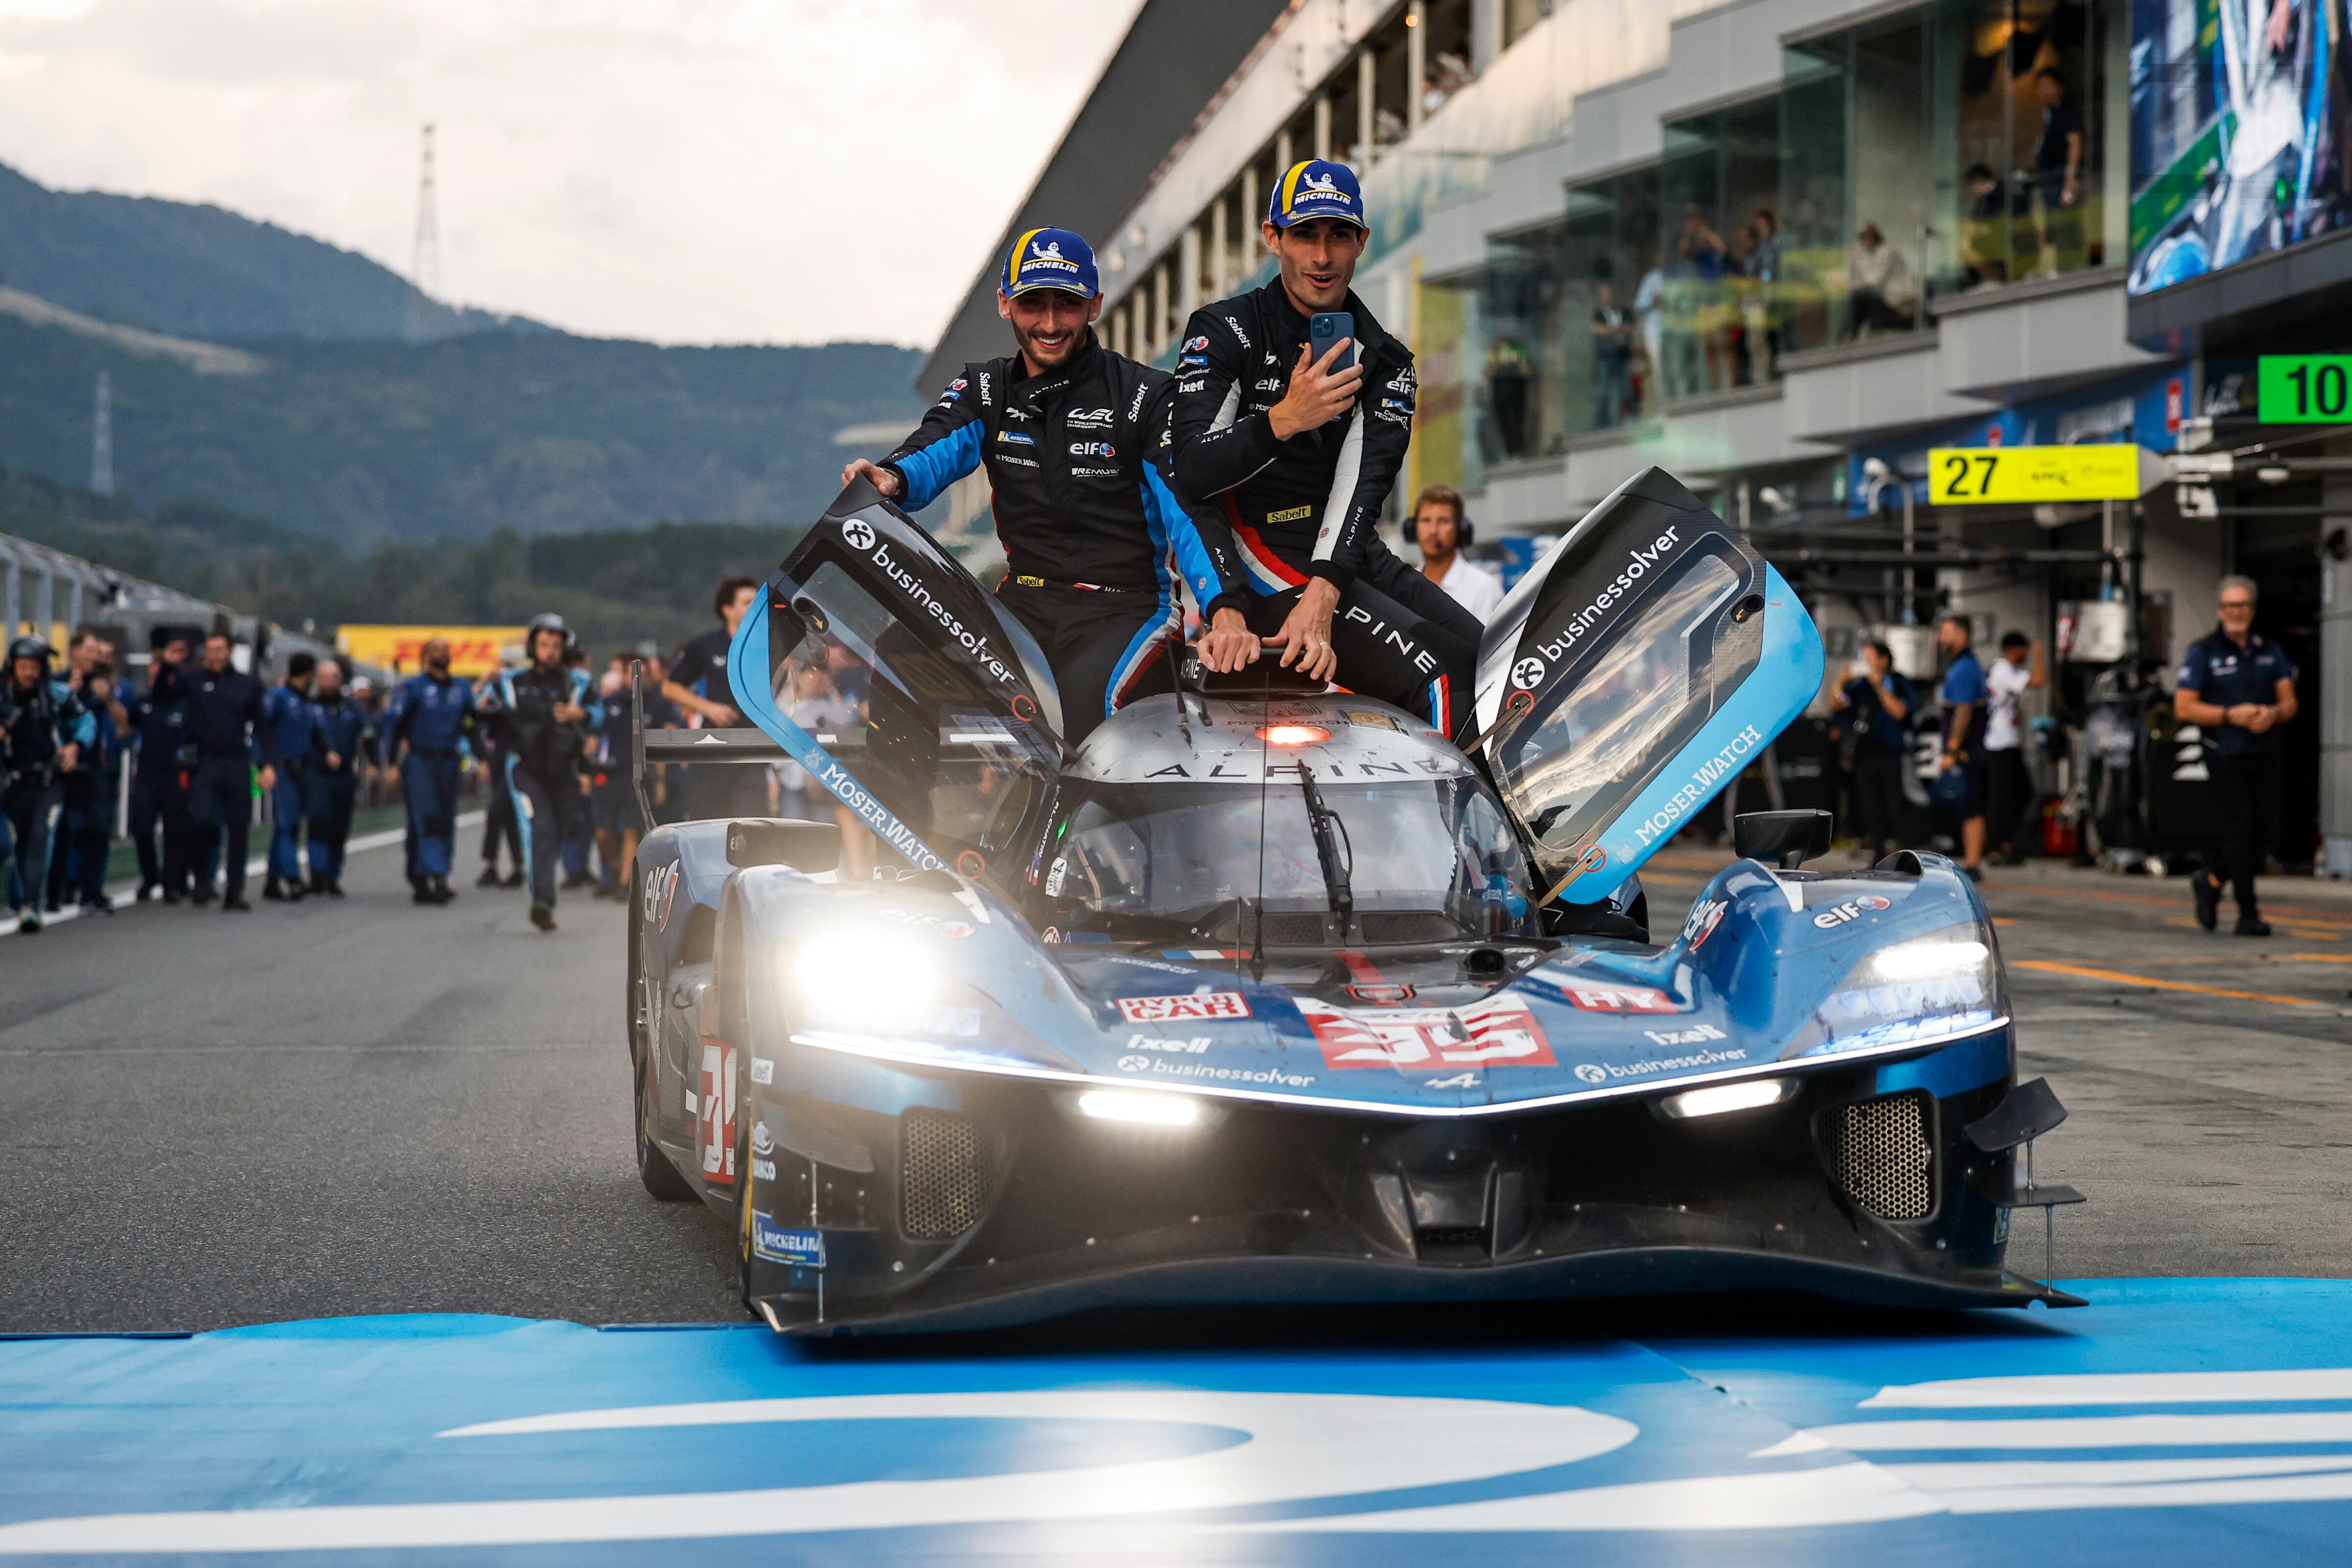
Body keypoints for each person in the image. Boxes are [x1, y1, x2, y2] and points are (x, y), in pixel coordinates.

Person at [843, 225, 1231, 748]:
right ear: (1005, 303)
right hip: (1025, 604)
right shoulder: (987, 388)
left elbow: (1189, 512)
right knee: (902, 654)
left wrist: (1224, 607)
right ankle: (905, 831)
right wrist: (891, 475)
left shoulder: (1146, 394)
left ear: (1094, 304)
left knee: (1081, 712)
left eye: (1066, 304)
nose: (1049, 323)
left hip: (1128, 611)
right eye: (1033, 303)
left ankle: (1078, 833)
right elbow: (933, 445)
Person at [1167, 160, 1485, 746]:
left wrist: (1325, 590)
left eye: (1338, 235)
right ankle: (1452, 837)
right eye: (1304, 235)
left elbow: (1364, 485)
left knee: (1485, 661)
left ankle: (1494, 827)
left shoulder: (1384, 358)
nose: (1322, 256)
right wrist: (1285, 419)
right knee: (1441, 677)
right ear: (1273, 239)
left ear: (1361, 240)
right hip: (1260, 565)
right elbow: (1190, 470)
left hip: (1345, 558)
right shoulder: (1225, 329)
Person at [2175, 576, 2299, 936]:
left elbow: (2290, 701)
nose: (2236, 612)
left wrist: (2272, 714)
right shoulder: (2204, 651)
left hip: (2264, 752)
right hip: (2225, 754)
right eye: (2230, 605)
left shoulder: (2268, 649)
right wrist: (2231, 716)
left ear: (2253, 609)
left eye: (2243, 605)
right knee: (2240, 833)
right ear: (2220, 610)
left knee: (2264, 837)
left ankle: (2211, 879)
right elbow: (2184, 706)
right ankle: (2248, 913)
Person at [485, 613, 599, 932]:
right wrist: (487, 700)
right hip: (525, 769)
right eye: (544, 644)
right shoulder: (511, 682)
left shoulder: (578, 683)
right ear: (534, 646)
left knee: (560, 830)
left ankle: (544, 892)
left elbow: (600, 712)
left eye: (556, 645)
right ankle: (543, 900)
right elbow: (481, 707)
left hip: (566, 770)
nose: (550, 650)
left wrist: (581, 713)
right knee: (542, 829)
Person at [1, 637, 94, 933]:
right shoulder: (3, 696)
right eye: (23, 667)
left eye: (34, 667)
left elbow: (86, 721)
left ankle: (31, 904)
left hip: (47, 781)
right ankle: (18, 896)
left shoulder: (57, 695)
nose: (29, 673)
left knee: (41, 839)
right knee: (10, 844)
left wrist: (76, 747)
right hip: (9, 781)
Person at [660, 576, 772, 814]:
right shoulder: (706, 645)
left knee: (752, 827)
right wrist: (709, 708)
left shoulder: (769, 645)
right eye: (747, 602)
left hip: (754, 751)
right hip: (714, 749)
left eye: (758, 602)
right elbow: (670, 687)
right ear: (727, 610)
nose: (755, 607)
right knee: (710, 826)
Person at [182, 630, 272, 912]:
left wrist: (267, 764)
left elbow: (262, 727)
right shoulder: (193, 681)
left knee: (238, 828)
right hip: (205, 761)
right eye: (210, 650)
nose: (215, 656)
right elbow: (164, 699)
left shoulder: (247, 686)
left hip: (236, 762)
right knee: (202, 820)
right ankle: (202, 879)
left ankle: (235, 890)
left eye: (220, 650)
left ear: (230, 652)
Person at [384, 636, 477, 906]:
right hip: (421, 760)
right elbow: (395, 724)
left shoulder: (461, 688)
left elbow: (470, 725)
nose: (442, 653)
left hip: (449, 760)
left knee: (446, 818)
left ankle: (429, 871)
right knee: (427, 817)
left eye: (446, 649)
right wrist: (391, 763)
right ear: (425, 657)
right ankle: (434, 875)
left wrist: (481, 757)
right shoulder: (413, 688)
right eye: (436, 649)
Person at [1830, 638, 1915, 862]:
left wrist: (1879, 686)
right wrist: (1842, 679)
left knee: (1895, 803)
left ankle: (1904, 851)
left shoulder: (1897, 682)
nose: (1865, 664)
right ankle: (1878, 850)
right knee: (1870, 805)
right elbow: (1835, 704)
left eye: (1869, 658)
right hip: (1864, 754)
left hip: (1890, 752)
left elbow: (1900, 712)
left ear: (1884, 660)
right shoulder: (1859, 686)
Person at [125, 631, 195, 902]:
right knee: (142, 827)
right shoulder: (142, 703)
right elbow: (125, 725)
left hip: (175, 775)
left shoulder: (183, 705)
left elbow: (192, 739)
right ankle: (150, 874)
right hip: (147, 774)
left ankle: (171, 881)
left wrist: (188, 771)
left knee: (175, 830)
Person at [261, 652, 330, 902]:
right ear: (309, 674)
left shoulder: (306, 703)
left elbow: (315, 735)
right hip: (281, 768)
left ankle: (272, 879)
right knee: (286, 824)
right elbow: (262, 730)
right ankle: (292, 877)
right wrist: (264, 765)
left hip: (301, 770)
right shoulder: (278, 697)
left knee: (290, 824)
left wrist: (328, 752)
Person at [306, 659, 370, 897]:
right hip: (318, 775)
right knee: (319, 824)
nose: (330, 682)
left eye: (335, 677)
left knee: (339, 827)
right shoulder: (310, 707)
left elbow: (369, 734)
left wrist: (373, 763)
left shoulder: (353, 708)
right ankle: (318, 874)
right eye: (325, 677)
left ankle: (333, 875)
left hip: (344, 776)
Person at [1984, 631, 2047, 866]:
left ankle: (2005, 842)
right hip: (1999, 744)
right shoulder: (2003, 670)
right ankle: (1995, 846)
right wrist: (2041, 653)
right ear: (2014, 649)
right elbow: (2039, 681)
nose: (2027, 656)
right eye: (2025, 651)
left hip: (2007, 741)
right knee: (2002, 797)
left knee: (2021, 792)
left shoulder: (2002, 671)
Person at [1936, 614, 1989, 881]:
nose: (1940, 638)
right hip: (1971, 749)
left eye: (1945, 632)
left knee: (1972, 806)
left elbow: (1964, 712)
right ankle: (1972, 861)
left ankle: (1973, 864)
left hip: (1969, 751)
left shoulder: (1964, 668)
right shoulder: (1962, 666)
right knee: (1969, 804)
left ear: (1962, 634)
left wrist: (1952, 750)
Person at [1407, 486, 1503, 623]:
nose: (1433, 531)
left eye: (1443, 521)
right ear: (1412, 528)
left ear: (1461, 529)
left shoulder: (1485, 589)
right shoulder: (1406, 586)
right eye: (1426, 521)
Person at [2029, 68, 2084, 272]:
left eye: (2047, 85)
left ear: (2059, 85)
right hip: (2049, 177)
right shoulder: (2050, 112)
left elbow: (2075, 143)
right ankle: (2062, 266)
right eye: (2040, 88)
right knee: (2053, 224)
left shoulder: (2067, 109)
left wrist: (2070, 178)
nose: (2043, 91)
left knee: (2065, 224)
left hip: (2061, 178)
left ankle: (2070, 268)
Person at [1849, 222, 1918, 336]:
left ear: (1874, 237)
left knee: (1859, 299)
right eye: (1860, 239)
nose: (1862, 242)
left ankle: (1850, 336)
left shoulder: (1887, 252)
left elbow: (1872, 282)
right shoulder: (1867, 255)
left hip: (1899, 303)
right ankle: (1850, 334)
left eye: (1864, 237)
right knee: (1856, 301)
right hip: (1884, 300)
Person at [1591, 282, 1634, 427]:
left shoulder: (1624, 311)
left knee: (1625, 387)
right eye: (1604, 294)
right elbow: (1599, 330)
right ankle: (1603, 423)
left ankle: (1628, 417)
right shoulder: (1599, 313)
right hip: (1605, 356)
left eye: (1609, 293)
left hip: (1622, 355)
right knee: (1604, 389)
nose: (1607, 297)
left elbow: (1629, 328)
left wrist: (1611, 330)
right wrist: (1617, 330)